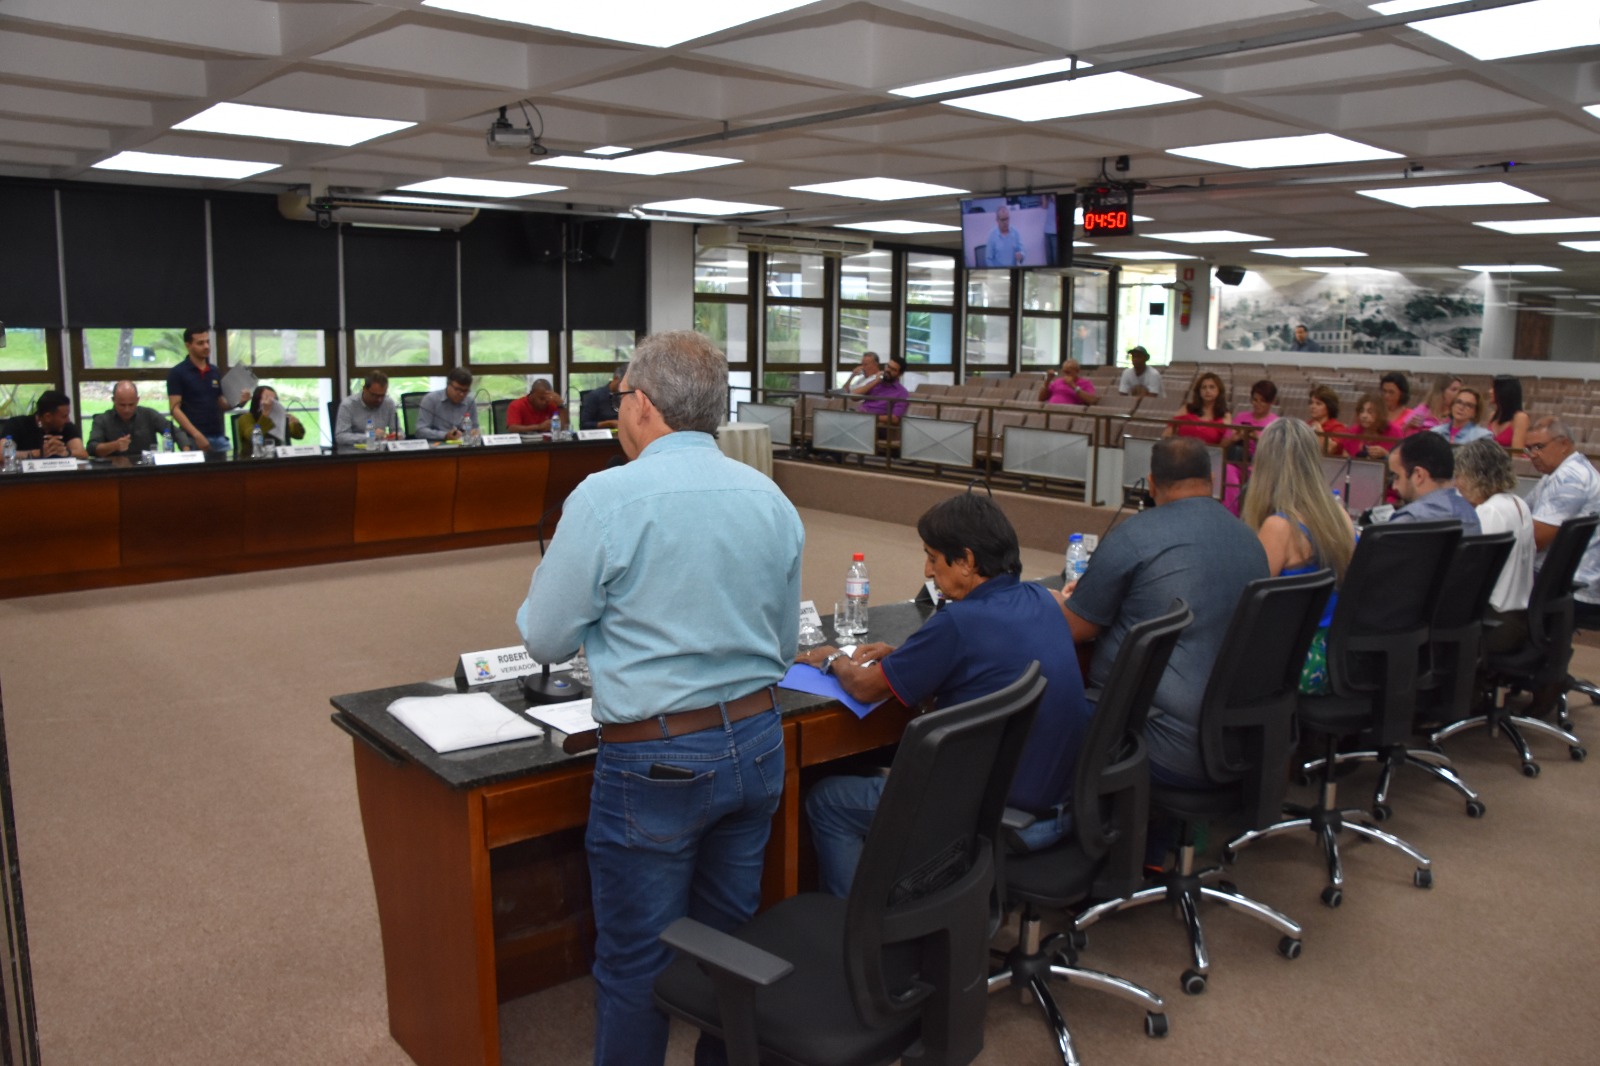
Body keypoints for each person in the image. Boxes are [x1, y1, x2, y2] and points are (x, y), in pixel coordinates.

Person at [515, 330, 804, 1066]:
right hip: (759, 742)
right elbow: (782, 646)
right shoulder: (770, 496)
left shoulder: (606, 496)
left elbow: (545, 637)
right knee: (727, 948)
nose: (617, 413)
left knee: (635, 963)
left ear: (642, 404)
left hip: (656, 761)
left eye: (619, 399)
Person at [796, 493, 1091, 898]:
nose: (927, 571)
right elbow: (989, 657)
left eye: (933, 558)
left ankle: (854, 926)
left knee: (827, 801)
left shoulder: (958, 622)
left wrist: (833, 659)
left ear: (966, 561)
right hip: (1060, 808)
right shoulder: (1043, 600)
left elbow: (865, 688)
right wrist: (907, 657)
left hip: (996, 818)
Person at [1059, 437, 1269, 786]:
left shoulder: (1135, 535)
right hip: (1239, 742)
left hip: (1160, 740)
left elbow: (1076, 627)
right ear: (1211, 480)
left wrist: (1053, 599)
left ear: (1152, 484)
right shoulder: (1251, 540)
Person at [1241, 418, 1356, 693]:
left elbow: (1247, 605)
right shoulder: (1339, 514)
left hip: (1295, 662)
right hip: (1336, 657)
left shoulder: (1279, 527)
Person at [1454, 438, 1534, 653]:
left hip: (1495, 625)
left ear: (1474, 475)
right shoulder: (1519, 504)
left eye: (1459, 475)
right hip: (1519, 619)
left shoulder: (1489, 511)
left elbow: (1469, 575)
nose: (1456, 484)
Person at [1523, 417, 1600, 626]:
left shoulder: (1569, 478)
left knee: (1487, 583)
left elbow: (1536, 540)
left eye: (1539, 447)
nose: (1533, 455)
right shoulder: (1556, 473)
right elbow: (1522, 511)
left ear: (1564, 444)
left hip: (1575, 584)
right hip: (1563, 576)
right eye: (1529, 449)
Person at [166, 326, 248, 453]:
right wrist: (196, 435)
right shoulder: (178, 373)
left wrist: (239, 402)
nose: (206, 346)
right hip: (193, 438)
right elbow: (175, 409)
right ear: (188, 345)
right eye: (200, 343)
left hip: (218, 435)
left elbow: (220, 403)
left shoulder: (214, 371)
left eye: (207, 342)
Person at [1386, 431, 1482, 533]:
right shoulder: (1471, 515)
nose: (1394, 486)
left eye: (1397, 476)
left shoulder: (1407, 522)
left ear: (1419, 475)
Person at [87, 381, 173, 457]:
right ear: (113, 400)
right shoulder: (102, 420)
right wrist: (114, 445)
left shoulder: (149, 415)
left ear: (137, 400)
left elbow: (173, 431)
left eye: (131, 405)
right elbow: (91, 448)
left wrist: (182, 450)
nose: (127, 410)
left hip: (146, 466)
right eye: (122, 405)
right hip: (113, 468)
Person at [2, 390, 88, 460]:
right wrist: (36, 453)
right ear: (48, 417)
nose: (68, 420)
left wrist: (66, 453)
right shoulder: (17, 424)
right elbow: (2, 454)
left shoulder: (67, 426)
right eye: (64, 416)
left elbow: (83, 453)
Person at [235, 386, 305, 458]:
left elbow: (299, 435)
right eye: (267, 399)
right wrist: (265, 414)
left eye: (274, 399)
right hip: (253, 460)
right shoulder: (245, 418)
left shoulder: (278, 418)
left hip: (278, 459)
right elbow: (254, 437)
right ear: (257, 401)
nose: (271, 403)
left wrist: (295, 423)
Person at [1165, 371, 1230, 444]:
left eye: (1212, 387)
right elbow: (1167, 433)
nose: (1207, 390)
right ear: (1199, 391)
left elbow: (1225, 445)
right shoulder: (1187, 409)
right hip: (1181, 449)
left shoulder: (1225, 415)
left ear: (1219, 390)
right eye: (1204, 387)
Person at [334, 371, 399, 445]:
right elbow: (340, 436)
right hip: (355, 450)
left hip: (381, 449)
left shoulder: (388, 403)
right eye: (374, 395)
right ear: (364, 389)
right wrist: (370, 436)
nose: (379, 399)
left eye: (382, 395)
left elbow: (398, 431)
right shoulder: (348, 405)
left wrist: (396, 436)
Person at [416, 367, 477, 441]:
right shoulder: (431, 400)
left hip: (462, 444)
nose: (461, 394)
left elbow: (475, 428)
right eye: (457, 389)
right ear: (448, 385)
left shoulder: (470, 402)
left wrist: (474, 432)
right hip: (437, 444)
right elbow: (420, 431)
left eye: (465, 391)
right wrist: (445, 435)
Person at [852, 351, 910, 422]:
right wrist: (875, 381)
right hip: (858, 417)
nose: (888, 370)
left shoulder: (902, 393)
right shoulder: (876, 383)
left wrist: (869, 417)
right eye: (888, 366)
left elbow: (895, 418)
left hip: (873, 422)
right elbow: (853, 397)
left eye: (893, 369)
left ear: (900, 374)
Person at [1346, 392, 1398, 460]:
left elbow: (1402, 461)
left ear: (1380, 414)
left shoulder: (1394, 431)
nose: (1364, 416)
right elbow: (1344, 456)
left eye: (1370, 412)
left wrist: (1386, 454)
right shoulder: (1353, 431)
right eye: (1361, 411)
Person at [1486, 375, 1529, 452]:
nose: (1490, 391)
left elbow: (1516, 452)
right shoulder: (1492, 416)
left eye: (1494, 388)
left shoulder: (1520, 418)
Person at [1379, 370, 1426, 436]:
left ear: (1401, 394)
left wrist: (1406, 427)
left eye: (1391, 392)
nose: (1386, 396)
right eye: (1384, 391)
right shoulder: (1376, 412)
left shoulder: (1411, 416)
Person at [1306, 384, 1348, 457]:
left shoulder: (1338, 428)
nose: (1313, 406)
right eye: (1311, 403)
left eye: (1318, 404)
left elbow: (1329, 450)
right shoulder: (1306, 425)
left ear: (1329, 407)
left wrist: (1319, 431)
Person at [579, 365, 625, 430]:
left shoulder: (626, 396)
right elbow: (584, 425)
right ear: (615, 378)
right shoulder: (595, 396)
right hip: (600, 434)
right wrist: (609, 423)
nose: (624, 388)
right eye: (622, 383)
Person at [983, 203, 1025, 268]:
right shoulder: (992, 236)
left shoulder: (1015, 233)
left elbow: (1022, 251)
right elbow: (989, 259)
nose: (1005, 222)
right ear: (997, 220)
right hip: (998, 271)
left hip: (1012, 270)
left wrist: (1021, 255)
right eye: (1003, 220)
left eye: (1007, 219)